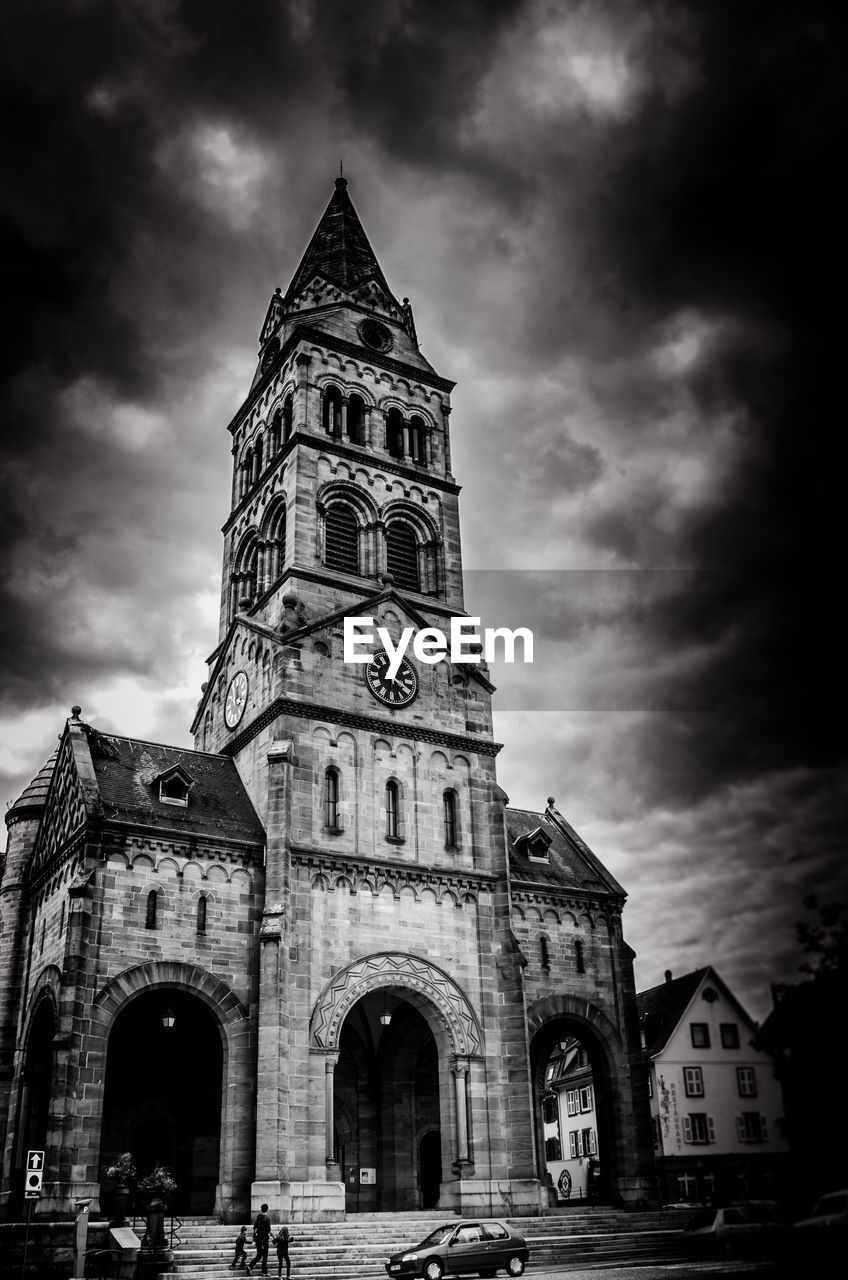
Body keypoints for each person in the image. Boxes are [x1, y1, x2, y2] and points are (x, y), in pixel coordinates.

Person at [246, 1204, 272, 1276]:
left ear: (261, 1209)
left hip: (258, 1239)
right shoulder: (267, 1218)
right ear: (267, 1209)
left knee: (259, 1254)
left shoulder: (258, 1217)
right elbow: (269, 1230)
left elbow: (254, 1229)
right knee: (265, 1255)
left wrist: (254, 1238)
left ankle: (250, 1266)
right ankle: (264, 1272)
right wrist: (274, 1237)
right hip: (264, 1239)